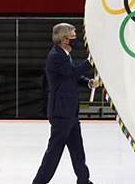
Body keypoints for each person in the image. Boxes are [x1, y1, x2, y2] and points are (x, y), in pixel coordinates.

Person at [33, 23, 99, 184]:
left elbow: (70, 77)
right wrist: (93, 59)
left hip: (70, 112)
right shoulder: (55, 56)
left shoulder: (64, 54)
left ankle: (84, 180)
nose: (76, 38)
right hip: (61, 113)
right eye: (73, 35)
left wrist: (88, 83)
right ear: (64, 39)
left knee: (77, 150)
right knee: (54, 152)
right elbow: (72, 72)